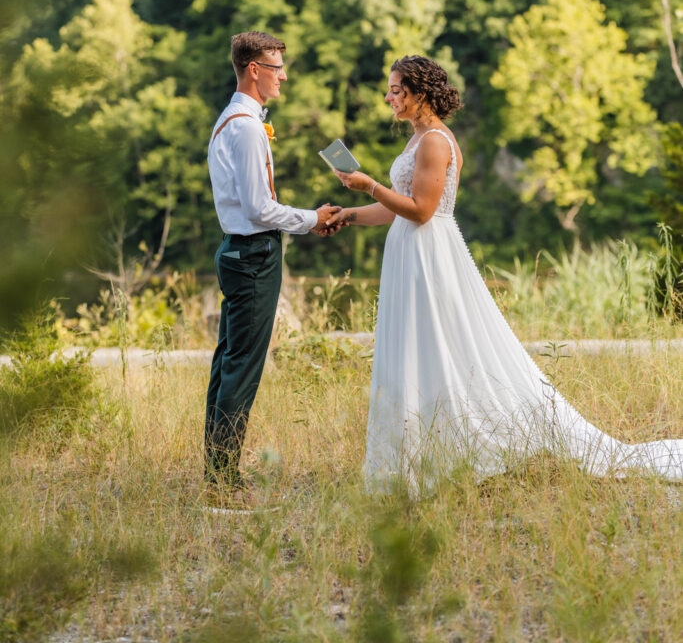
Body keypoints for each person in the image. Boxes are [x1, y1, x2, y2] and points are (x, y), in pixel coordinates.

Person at [328, 54, 683, 495]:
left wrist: (369, 184)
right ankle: (414, 456)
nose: (389, 97)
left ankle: (448, 453)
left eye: (396, 89)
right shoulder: (415, 140)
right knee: (414, 347)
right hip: (408, 252)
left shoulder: (436, 142)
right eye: (390, 89)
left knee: (439, 345)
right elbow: (396, 207)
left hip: (429, 254)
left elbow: (422, 211)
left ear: (420, 93)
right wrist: (351, 214)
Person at [204, 31, 340, 495]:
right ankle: (222, 476)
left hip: (245, 249)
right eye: (276, 67)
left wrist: (306, 223)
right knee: (242, 364)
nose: (283, 75)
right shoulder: (243, 127)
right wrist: (311, 219)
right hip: (254, 253)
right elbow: (260, 208)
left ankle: (217, 469)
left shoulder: (239, 120)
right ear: (254, 70)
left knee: (230, 359)